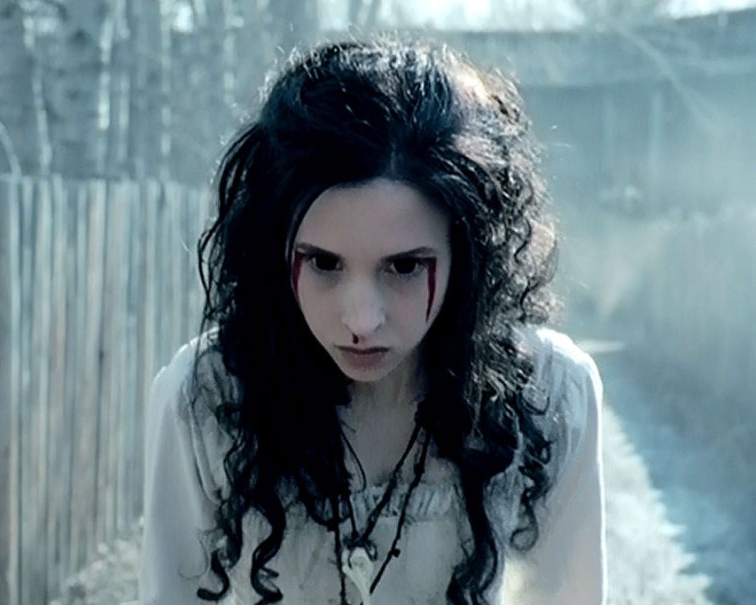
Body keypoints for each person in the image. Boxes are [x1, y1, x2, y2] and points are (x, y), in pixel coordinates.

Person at [139, 38, 605, 605]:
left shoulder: (550, 394)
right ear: (273, 250)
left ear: (467, 253)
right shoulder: (208, 398)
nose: (361, 320)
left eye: (404, 267)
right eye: (323, 263)